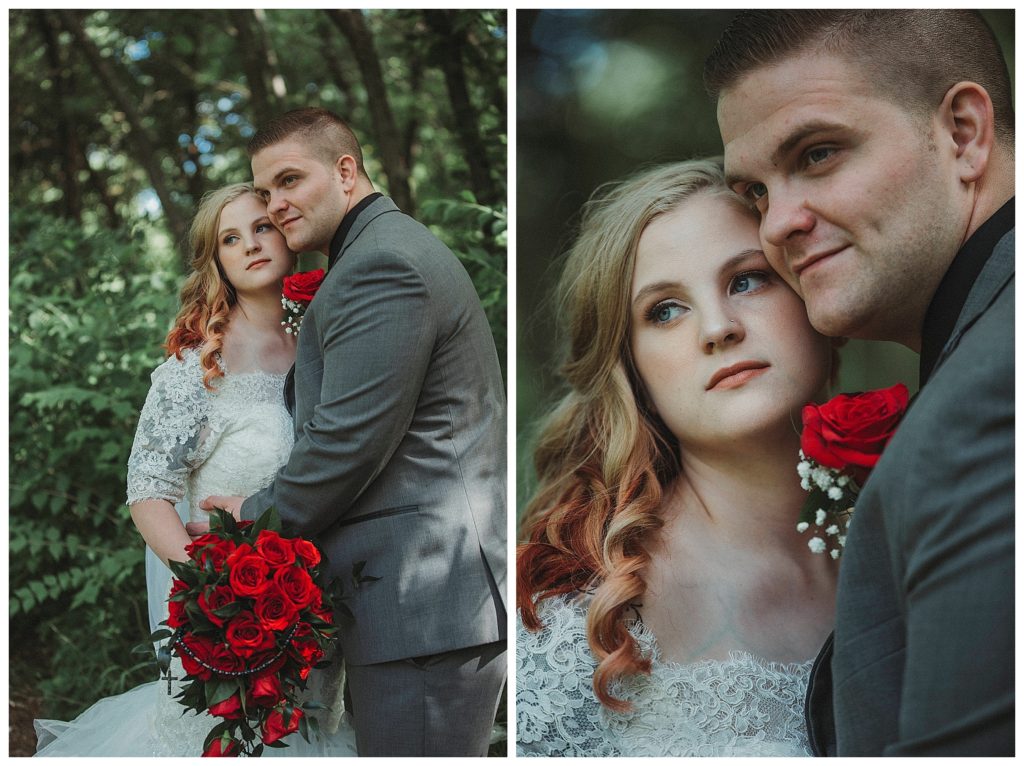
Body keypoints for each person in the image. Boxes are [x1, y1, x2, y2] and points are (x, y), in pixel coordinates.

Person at [705, 9, 1014, 756]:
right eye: (753, 192)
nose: (777, 223)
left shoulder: (992, 393)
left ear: (964, 132)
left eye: (817, 154)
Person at [193, 108, 507, 757]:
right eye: (264, 191)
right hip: (410, 608)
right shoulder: (376, 253)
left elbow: (344, 442)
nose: (276, 205)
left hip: (421, 608)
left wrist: (247, 525)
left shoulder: (382, 264)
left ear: (344, 171)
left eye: (288, 181)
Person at [516, 158, 840, 756]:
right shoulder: (577, 617)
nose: (717, 328)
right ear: (631, 367)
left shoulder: (918, 528)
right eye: (665, 310)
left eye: (747, 279)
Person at [34, 184, 358, 757]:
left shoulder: (328, 339)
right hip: (238, 617)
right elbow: (149, 494)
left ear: (288, 234)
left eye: (261, 228)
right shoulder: (195, 369)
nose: (251, 245)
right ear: (217, 262)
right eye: (231, 239)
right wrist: (217, 591)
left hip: (321, 612)